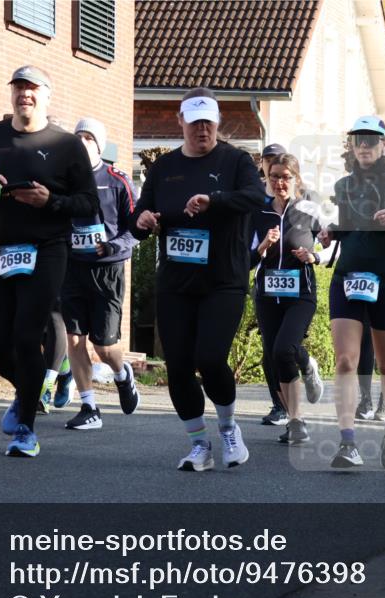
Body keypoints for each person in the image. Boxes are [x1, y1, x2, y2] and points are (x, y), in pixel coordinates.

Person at [132, 87, 264, 471]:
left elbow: (255, 197)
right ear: (181, 123)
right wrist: (141, 221)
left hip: (224, 278)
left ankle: (227, 429)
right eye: (194, 123)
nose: (202, 130)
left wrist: (214, 200)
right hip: (176, 281)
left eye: (208, 122)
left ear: (218, 123)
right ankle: (199, 445)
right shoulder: (164, 167)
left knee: (209, 358)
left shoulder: (235, 161)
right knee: (177, 365)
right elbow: (141, 215)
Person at [0, 65, 99, 456]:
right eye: (18, 88)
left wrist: (52, 201)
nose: (24, 95)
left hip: (46, 249)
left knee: (27, 336)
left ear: (47, 95)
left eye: (32, 89)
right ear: (10, 93)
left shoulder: (67, 145)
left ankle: (26, 429)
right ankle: (28, 391)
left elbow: (88, 203)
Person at [320, 115, 385, 469]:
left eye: (371, 140)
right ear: (352, 146)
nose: (364, 146)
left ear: (383, 146)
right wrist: (331, 232)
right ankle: (347, 443)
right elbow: (352, 230)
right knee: (346, 361)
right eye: (358, 140)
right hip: (348, 278)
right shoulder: (344, 185)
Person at [62, 117, 141, 429]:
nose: (82, 141)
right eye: (77, 136)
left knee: (104, 347)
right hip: (72, 267)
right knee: (74, 338)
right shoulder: (63, 180)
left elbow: (136, 227)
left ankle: (122, 374)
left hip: (107, 270)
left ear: (99, 144)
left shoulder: (118, 180)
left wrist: (112, 246)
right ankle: (89, 407)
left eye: (88, 137)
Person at [250, 152, 321, 444]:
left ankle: (304, 369)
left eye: (286, 177)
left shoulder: (310, 211)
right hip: (267, 294)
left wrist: (313, 255)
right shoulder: (258, 213)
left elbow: (329, 247)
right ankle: (295, 420)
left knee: (283, 350)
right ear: (267, 178)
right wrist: (264, 245)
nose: (280, 182)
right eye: (275, 176)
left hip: (300, 293)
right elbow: (248, 259)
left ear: (296, 179)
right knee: (274, 356)